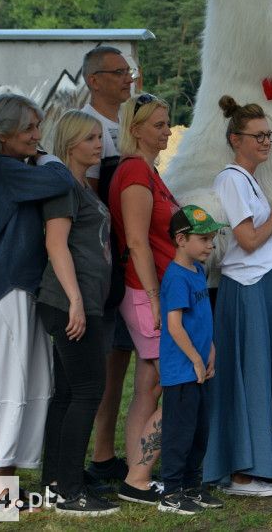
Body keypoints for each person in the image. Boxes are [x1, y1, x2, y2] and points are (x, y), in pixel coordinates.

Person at [0, 93, 73, 499]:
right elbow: (61, 180)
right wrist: (49, 157)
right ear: (2, 134)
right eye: (28, 129)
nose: (36, 136)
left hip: (16, 291)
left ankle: (5, 490)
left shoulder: (8, 168)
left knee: (20, 388)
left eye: (37, 127)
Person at [203, 95, 272, 496]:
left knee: (263, 372)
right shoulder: (231, 178)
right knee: (249, 375)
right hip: (246, 288)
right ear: (236, 139)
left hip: (261, 283)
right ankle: (241, 474)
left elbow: (257, 240)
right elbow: (246, 241)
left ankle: (263, 465)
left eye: (268, 135)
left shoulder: (249, 180)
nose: (266, 142)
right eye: (258, 135)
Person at [35, 110, 119, 516]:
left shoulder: (80, 185)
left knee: (69, 394)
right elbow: (56, 244)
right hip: (70, 303)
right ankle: (70, 491)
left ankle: (57, 482)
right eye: (90, 138)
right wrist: (75, 301)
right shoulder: (65, 186)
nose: (99, 144)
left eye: (100, 136)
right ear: (70, 144)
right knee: (88, 391)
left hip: (82, 302)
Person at [108, 93, 177, 504]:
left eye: (167, 123)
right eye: (158, 125)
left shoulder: (147, 171)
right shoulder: (135, 171)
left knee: (149, 386)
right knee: (180, 382)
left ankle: (138, 475)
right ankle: (138, 477)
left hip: (152, 289)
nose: (167, 131)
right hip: (146, 291)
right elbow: (136, 241)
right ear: (135, 130)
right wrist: (154, 299)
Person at [80, 45, 137, 485]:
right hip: (106, 262)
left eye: (128, 71)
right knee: (98, 366)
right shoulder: (88, 129)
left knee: (119, 361)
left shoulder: (127, 124)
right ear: (93, 80)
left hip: (127, 260)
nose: (127, 78)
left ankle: (104, 454)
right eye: (117, 72)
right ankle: (89, 457)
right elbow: (92, 200)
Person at [157, 206, 227, 515]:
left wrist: (209, 349)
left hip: (200, 368)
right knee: (180, 433)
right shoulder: (175, 278)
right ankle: (171, 492)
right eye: (203, 239)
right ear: (181, 239)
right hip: (182, 372)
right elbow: (174, 326)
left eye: (212, 238)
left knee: (199, 431)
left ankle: (192, 487)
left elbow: (201, 317)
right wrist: (196, 360)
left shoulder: (198, 271)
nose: (210, 245)